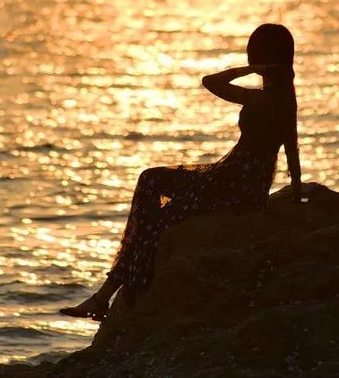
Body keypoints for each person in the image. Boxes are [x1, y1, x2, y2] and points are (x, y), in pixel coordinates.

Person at [59, 23, 301, 321]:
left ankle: (104, 297)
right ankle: (103, 298)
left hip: (233, 185)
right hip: (236, 181)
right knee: (157, 211)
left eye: (257, 55)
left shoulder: (265, 99)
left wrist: (252, 69)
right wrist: (298, 191)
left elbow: (210, 81)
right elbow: (291, 146)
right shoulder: (284, 98)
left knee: (150, 182)